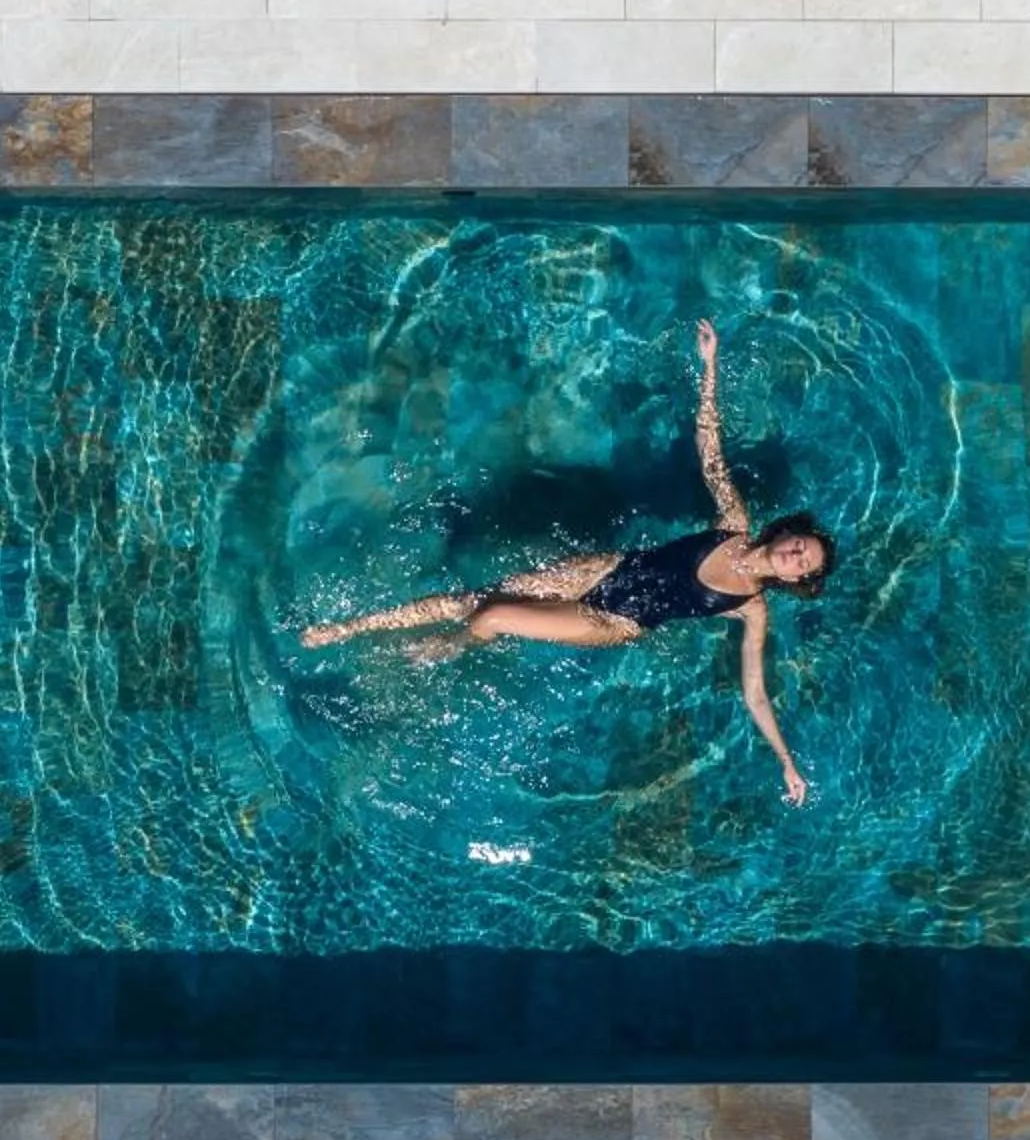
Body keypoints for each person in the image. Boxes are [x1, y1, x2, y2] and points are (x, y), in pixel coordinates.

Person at [299, 320, 830, 806]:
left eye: (802, 565)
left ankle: (451, 646)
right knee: (472, 598)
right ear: (790, 533)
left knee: (491, 617)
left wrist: (786, 763)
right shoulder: (734, 521)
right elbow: (708, 445)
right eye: (801, 545)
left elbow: (756, 693)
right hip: (601, 569)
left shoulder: (751, 609)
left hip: (613, 621)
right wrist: (710, 369)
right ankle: (349, 627)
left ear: (795, 580)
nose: (795, 556)